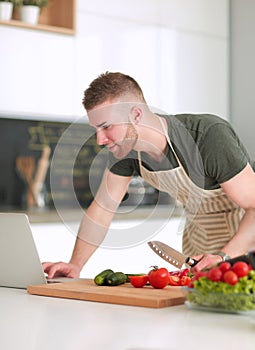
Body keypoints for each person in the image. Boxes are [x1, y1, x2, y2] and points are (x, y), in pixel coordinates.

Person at [43, 72, 255, 278]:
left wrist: (224, 255)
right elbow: (102, 208)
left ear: (136, 114)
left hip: (244, 249)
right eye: (96, 129)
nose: (100, 139)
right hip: (198, 247)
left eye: (106, 127)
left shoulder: (207, 136)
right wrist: (75, 265)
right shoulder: (124, 149)